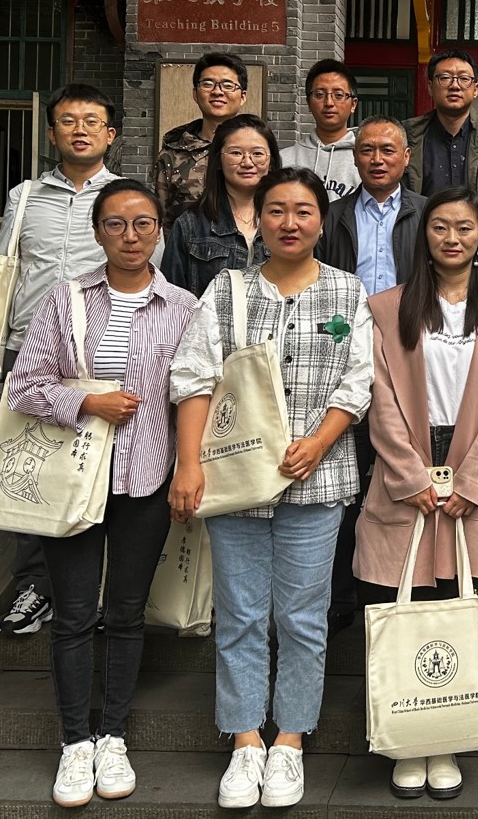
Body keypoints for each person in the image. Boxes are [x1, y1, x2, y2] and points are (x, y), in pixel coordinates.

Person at [168, 166, 373, 810]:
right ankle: (244, 739)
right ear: (259, 220)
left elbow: (358, 381)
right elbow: (194, 377)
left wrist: (319, 441)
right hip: (236, 481)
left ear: (321, 222)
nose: (290, 222)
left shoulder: (346, 292)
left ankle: (289, 739)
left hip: (318, 479)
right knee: (240, 614)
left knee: (304, 617)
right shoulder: (227, 290)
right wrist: (188, 464)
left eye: (303, 211)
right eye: (276, 210)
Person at [7, 180, 197, 808]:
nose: (130, 236)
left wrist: (188, 468)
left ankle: (112, 735)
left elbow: (194, 393)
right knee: (72, 614)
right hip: (70, 479)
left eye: (143, 223)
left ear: (159, 231)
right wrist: (88, 401)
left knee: (125, 612)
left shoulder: (182, 307)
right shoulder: (65, 300)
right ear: (97, 233)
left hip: (145, 478)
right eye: (116, 224)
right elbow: (23, 386)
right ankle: (74, 742)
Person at [353, 188, 478, 801]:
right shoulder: (386, 308)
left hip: (473, 471)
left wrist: (473, 481)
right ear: (424, 235)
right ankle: (407, 740)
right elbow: (378, 398)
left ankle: (446, 736)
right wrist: (411, 477)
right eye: (441, 227)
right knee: (403, 602)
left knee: (457, 601)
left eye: (465, 228)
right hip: (407, 469)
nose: (453, 238)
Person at [0, 84, 126, 638]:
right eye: (68, 120)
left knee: (94, 470)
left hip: (102, 352)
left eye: (92, 120)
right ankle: (35, 587)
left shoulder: (126, 199)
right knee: (25, 467)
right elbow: (2, 275)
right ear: (52, 133)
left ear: (110, 134)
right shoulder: (24, 196)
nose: (80, 129)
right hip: (30, 349)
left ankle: (96, 590)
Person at [316, 114, 427, 637]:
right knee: (344, 481)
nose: (377, 159)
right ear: (354, 157)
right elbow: (318, 288)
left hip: (410, 361)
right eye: (367, 150)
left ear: (406, 157)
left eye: (387, 150)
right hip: (345, 361)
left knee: (405, 479)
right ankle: (341, 596)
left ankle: (401, 592)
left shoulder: (426, 214)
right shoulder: (331, 215)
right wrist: (341, 334)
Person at [161, 115, 277, 297]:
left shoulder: (286, 223)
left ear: (271, 163)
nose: (247, 162)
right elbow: (172, 300)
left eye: (257, 154)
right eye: (236, 153)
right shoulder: (190, 225)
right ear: (218, 161)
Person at [154, 51, 249, 230]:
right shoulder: (172, 153)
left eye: (228, 85)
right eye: (208, 84)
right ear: (195, 94)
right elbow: (162, 219)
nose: (217, 92)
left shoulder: (257, 149)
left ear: (242, 96)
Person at [403, 48, 478, 197]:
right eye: (445, 78)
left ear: (475, 89)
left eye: (463, 78)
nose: (454, 86)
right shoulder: (407, 136)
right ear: (430, 87)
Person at [281, 59, 359, 202]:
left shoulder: (364, 158)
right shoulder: (284, 159)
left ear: (353, 104)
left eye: (338, 95)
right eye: (319, 94)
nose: (329, 102)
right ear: (308, 103)